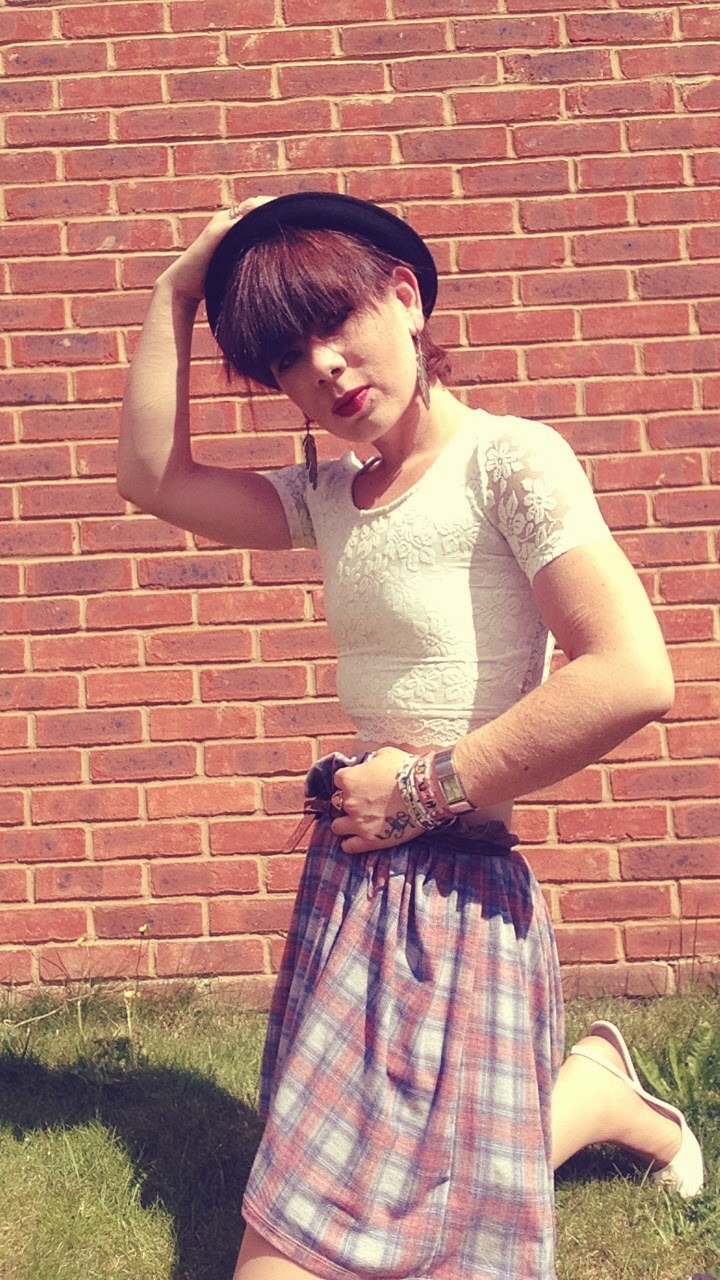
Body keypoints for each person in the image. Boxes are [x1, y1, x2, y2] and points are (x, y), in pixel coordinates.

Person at [118, 193, 704, 1280]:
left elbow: (632, 672)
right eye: (286, 358)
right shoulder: (330, 496)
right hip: (353, 886)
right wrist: (176, 290)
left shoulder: (511, 461)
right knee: (374, 1194)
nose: (322, 368)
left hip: (458, 895)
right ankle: (594, 1092)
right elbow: (152, 478)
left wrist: (422, 789)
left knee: (431, 1216)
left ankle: (601, 1096)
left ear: (405, 296)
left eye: (335, 322)